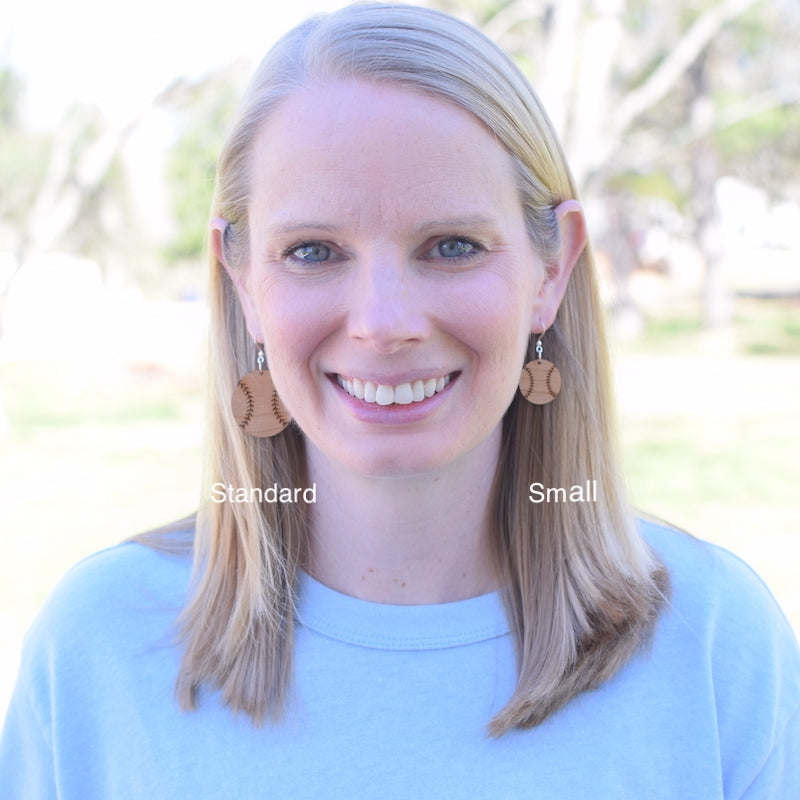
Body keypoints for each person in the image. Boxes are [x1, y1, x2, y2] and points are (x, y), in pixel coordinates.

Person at [1, 4, 798, 797]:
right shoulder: (98, 650)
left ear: (552, 269)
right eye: (313, 252)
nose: (383, 323)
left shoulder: (713, 646)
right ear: (242, 281)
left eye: (452, 246)